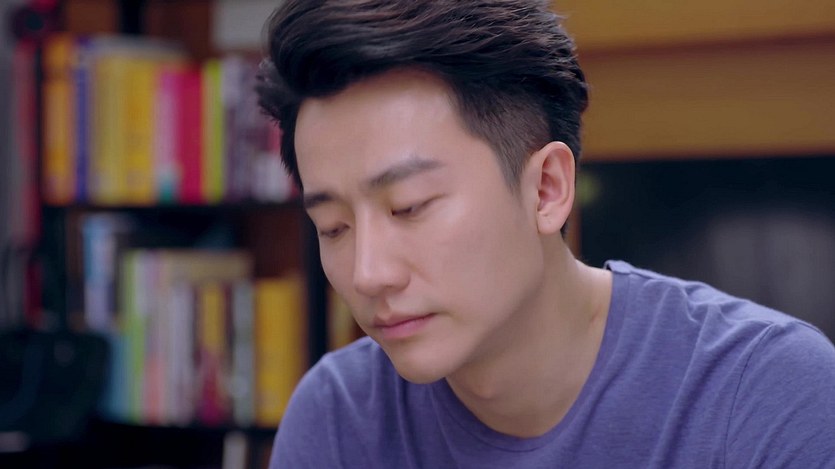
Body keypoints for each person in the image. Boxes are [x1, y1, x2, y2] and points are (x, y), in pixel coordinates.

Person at [256, 1, 835, 467]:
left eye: (409, 207)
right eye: (333, 227)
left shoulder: (766, 395)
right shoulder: (338, 417)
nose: (367, 274)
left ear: (547, 189)